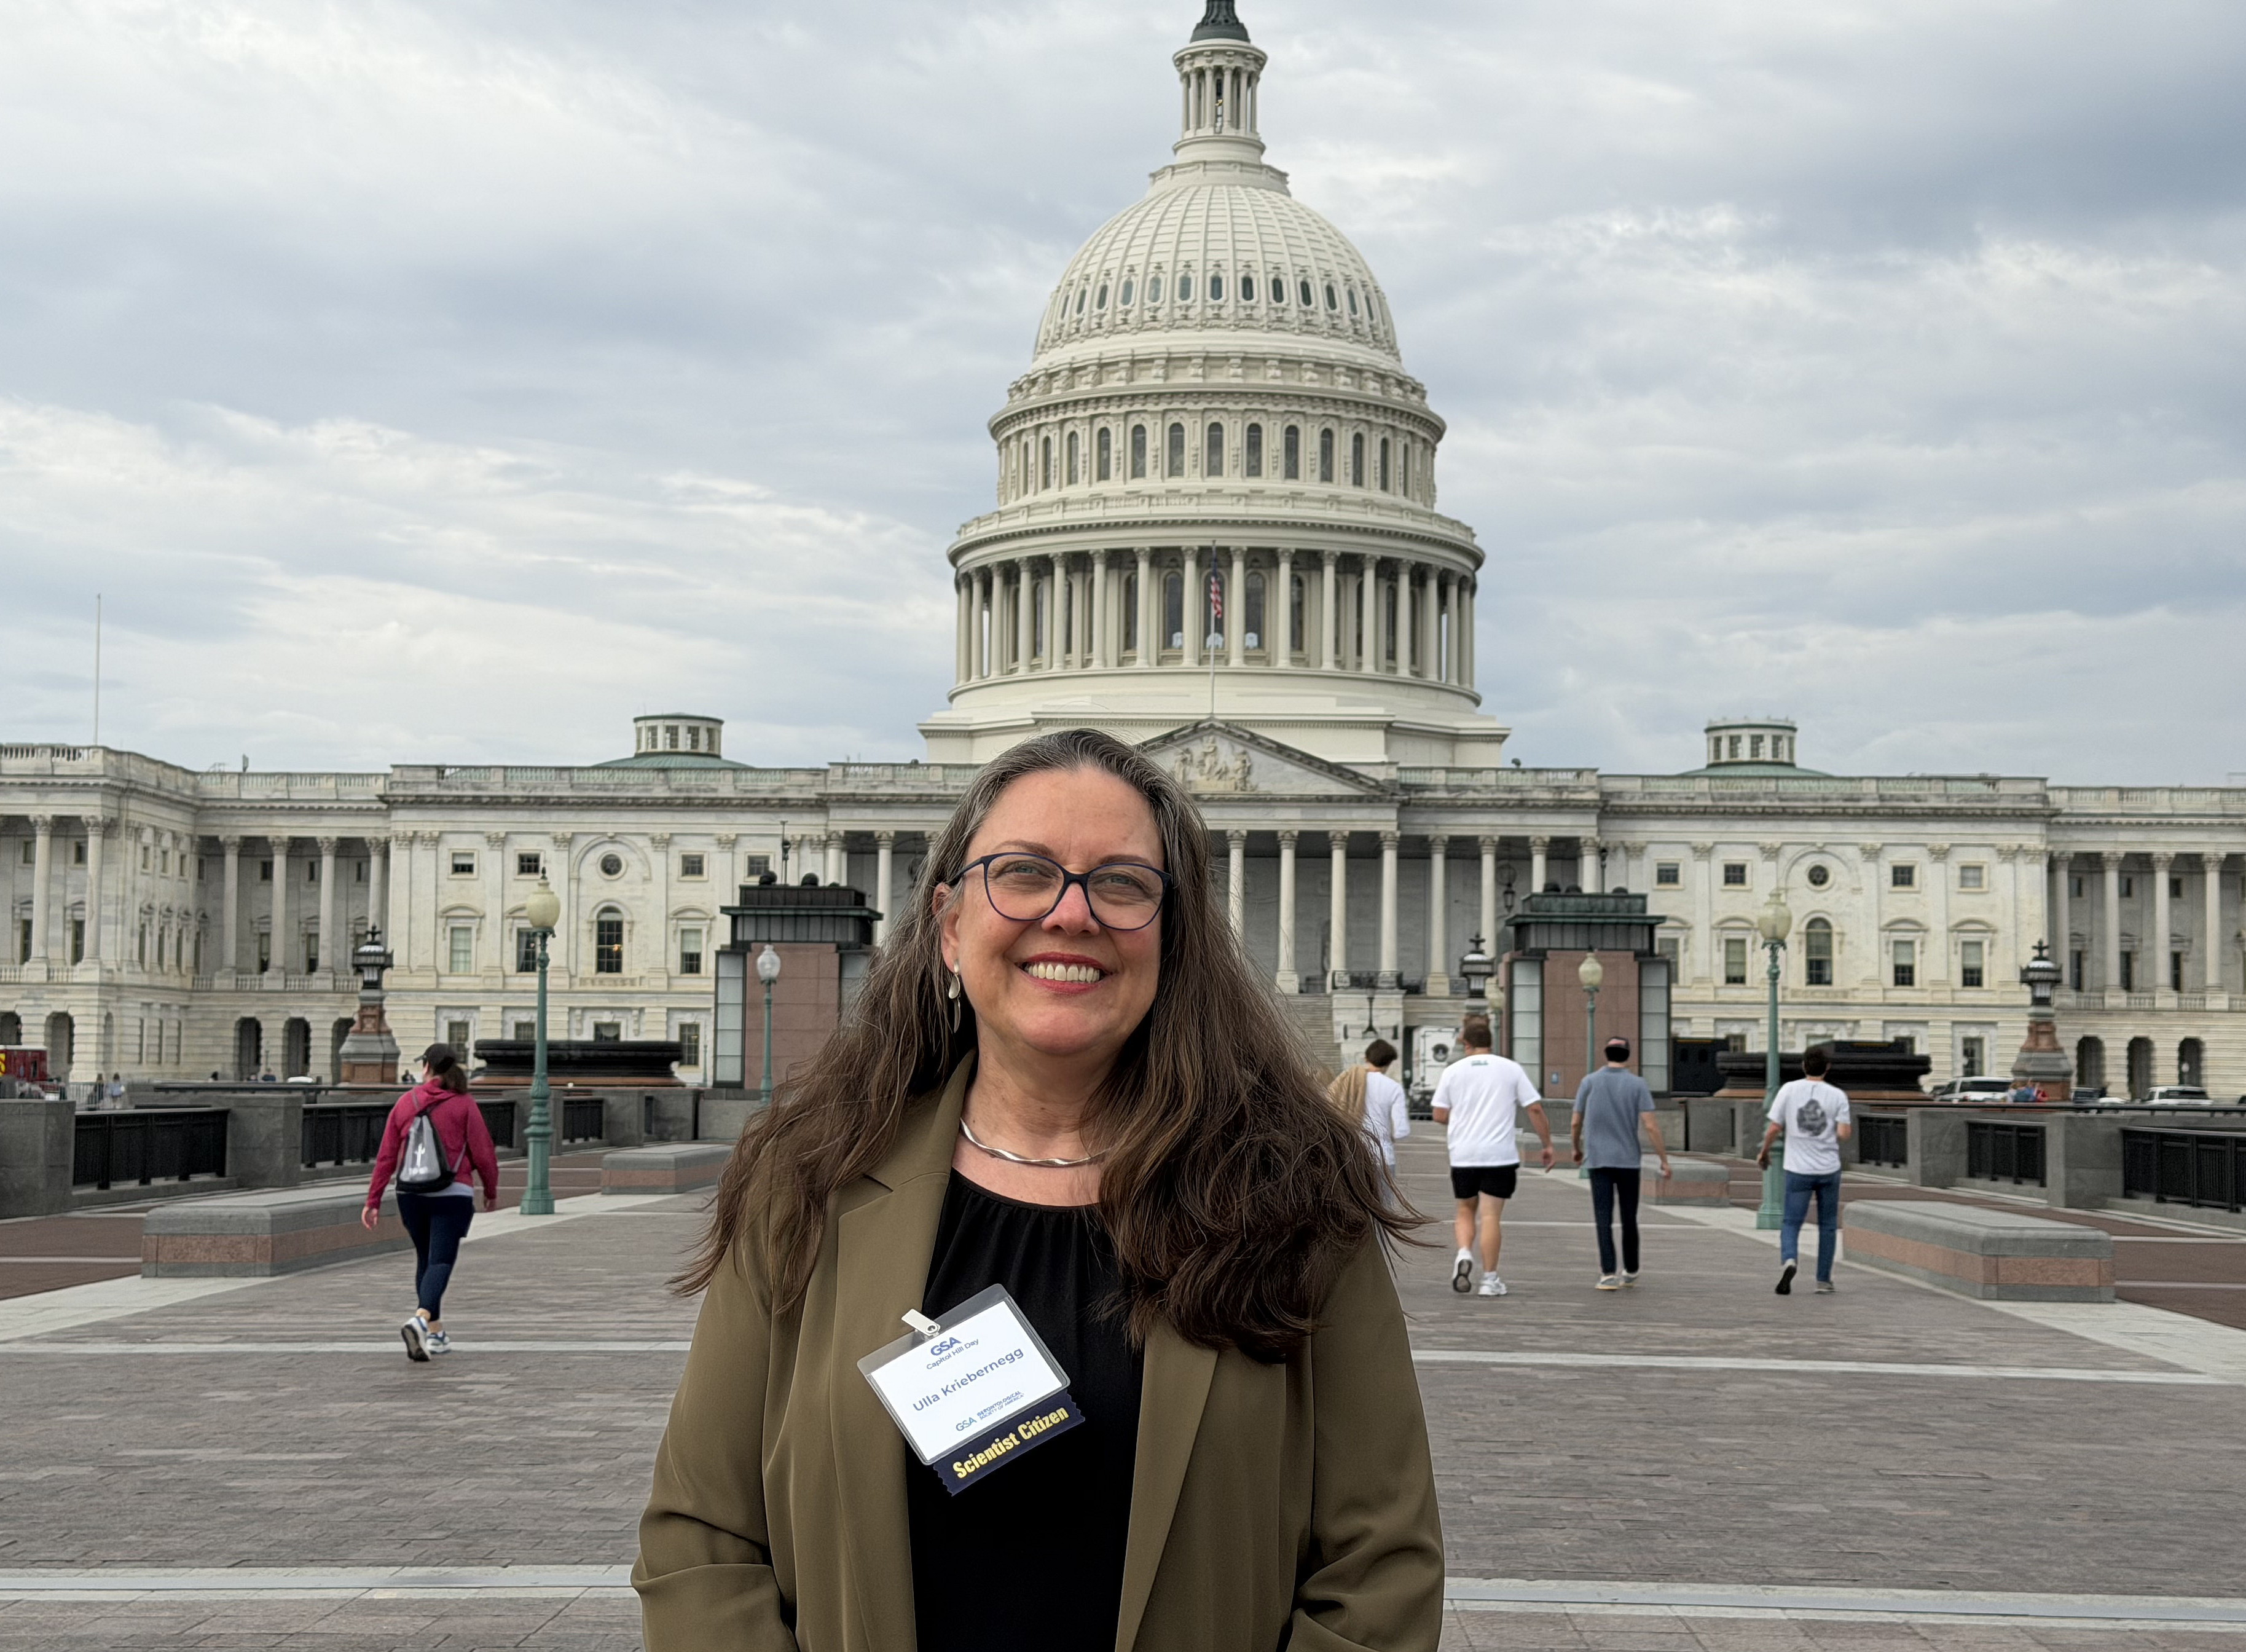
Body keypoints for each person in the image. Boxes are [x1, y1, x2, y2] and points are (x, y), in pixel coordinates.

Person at [635, 729, 1442, 1652]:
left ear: (1173, 938)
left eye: (1122, 883)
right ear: (948, 924)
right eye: (1022, 872)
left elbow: (1379, 1569)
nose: (1069, 915)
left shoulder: (1294, 1198)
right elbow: (702, 1536)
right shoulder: (808, 1180)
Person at [361, 1044, 500, 1360]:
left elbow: (386, 1156)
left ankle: (436, 1334)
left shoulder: (406, 1102)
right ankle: (421, 1320)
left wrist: (374, 1200)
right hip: (452, 1193)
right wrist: (491, 1190)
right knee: (441, 1261)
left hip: (410, 1194)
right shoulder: (465, 1104)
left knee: (425, 1259)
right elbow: (484, 1154)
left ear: (426, 1067)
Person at [1431, 1013, 1553, 1298]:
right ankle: (1490, 1280)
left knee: (1464, 1210)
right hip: (1499, 1155)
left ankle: (1464, 1254)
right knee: (1490, 1218)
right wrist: (1547, 1144)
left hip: (1463, 1154)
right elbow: (1534, 1109)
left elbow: (1439, 1114)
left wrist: (1462, 1120)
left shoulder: (1453, 1071)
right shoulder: (1510, 1069)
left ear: (1466, 1043)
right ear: (1491, 1041)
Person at [1571, 1038, 1670, 1289]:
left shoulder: (1589, 1082)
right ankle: (1632, 1269)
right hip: (1628, 1161)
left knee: (1602, 1217)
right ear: (1628, 1055)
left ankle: (1607, 1274)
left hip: (1598, 1160)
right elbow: (1650, 1125)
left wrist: (1576, 1148)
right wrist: (1663, 1159)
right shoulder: (1638, 1084)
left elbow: (1575, 1121)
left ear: (1606, 1054)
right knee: (1629, 1217)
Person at [1757, 1045, 1853, 1296]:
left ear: (1803, 1066)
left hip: (1798, 1169)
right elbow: (1844, 1133)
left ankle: (1790, 1259)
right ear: (1827, 1068)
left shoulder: (1789, 1090)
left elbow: (1774, 1128)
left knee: (1791, 1222)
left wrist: (1764, 1152)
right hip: (1829, 1169)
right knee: (1828, 1225)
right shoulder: (1837, 1095)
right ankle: (1823, 1280)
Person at [1328, 1037, 1412, 1173]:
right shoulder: (1394, 1088)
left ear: (1366, 1058)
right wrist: (1387, 1136)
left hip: (1353, 1156)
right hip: (1383, 1157)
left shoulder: (1349, 1081)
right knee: (1384, 1195)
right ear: (1389, 1063)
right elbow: (1402, 1131)